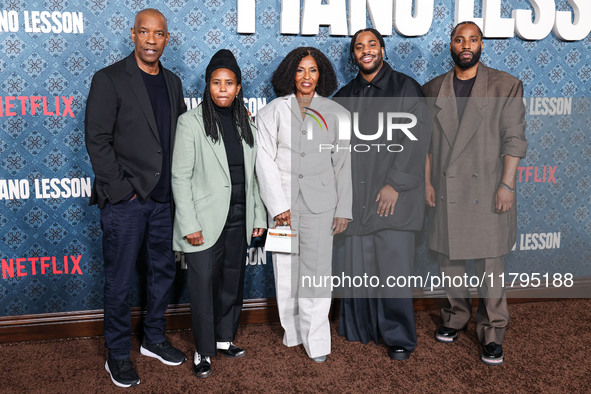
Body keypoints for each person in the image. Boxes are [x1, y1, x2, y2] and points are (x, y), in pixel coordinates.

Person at [85, 8, 187, 388]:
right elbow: (97, 139)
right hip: (127, 201)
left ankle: (154, 338)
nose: (150, 39)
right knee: (120, 278)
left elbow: (179, 137)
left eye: (158, 33)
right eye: (143, 32)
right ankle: (116, 354)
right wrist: (121, 191)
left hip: (163, 201)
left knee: (162, 272)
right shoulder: (109, 79)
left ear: (166, 38)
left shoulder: (173, 83)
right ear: (132, 34)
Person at [423, 21, 528, 365]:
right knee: (449, 260)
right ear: (450, 45)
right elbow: (424, 146)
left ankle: (493, 332)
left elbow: (514, 139)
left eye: (472, 39)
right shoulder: (433, 88)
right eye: (459, 39)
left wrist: (506, 185)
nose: (465, 45)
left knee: (489, 267)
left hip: (488, 188)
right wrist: (426, 183)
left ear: (482, 44)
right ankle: (455, 318)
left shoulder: (505, 85)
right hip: (446, 189)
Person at [334, 28, 431, 361]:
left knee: (393, 272)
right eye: (359, 47)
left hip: (394, 198)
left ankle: (399, 337)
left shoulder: (406, 88)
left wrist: (395, 184)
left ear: (383, 51)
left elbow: (417, 139)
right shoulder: (344, 95)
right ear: (353, 56)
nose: (366, 51)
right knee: (359, 268)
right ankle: (361, 327)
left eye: (372, 45)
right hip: (358, 200)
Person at [171, 49, 267, 378]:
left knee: (231, 282)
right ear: (208, 86)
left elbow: (254, 177)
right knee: (202, 288)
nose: (223, 88)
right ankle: (204, 350)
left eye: (229, 83)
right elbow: (180, 177)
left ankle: (225, 339)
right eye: (216, 82)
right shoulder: (190, 123)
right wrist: (189, 224)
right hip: (204, 221)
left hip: (240, 218)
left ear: (239, 88)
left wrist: (258, 219)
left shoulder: (247, 125)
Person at [255, 47, 352, 363]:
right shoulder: (272, 112)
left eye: (312, 70)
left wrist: (343, 208)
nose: (306, 77)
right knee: (286, 271)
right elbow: (263, 161)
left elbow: (343, 165)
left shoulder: (337, 114)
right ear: (289, 74)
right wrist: (277, 204)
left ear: (321, 74)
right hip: (283, 207)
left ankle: (317, 340)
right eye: (300, 70)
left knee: (317, 274)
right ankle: (293, 331)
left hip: (321, 206)